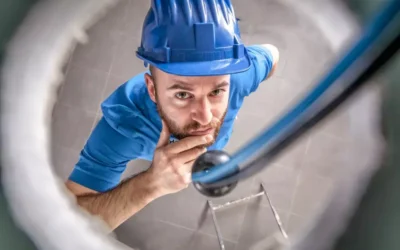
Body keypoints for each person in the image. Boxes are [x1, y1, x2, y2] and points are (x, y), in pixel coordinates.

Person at [65, 0, 279, 230]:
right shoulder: (124, 128)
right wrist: (149, 184)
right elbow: (68, 220)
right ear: (152, 89)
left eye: (216, 91)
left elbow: (272, 55)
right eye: (183, 95)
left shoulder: (239, 77)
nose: (206, 118)